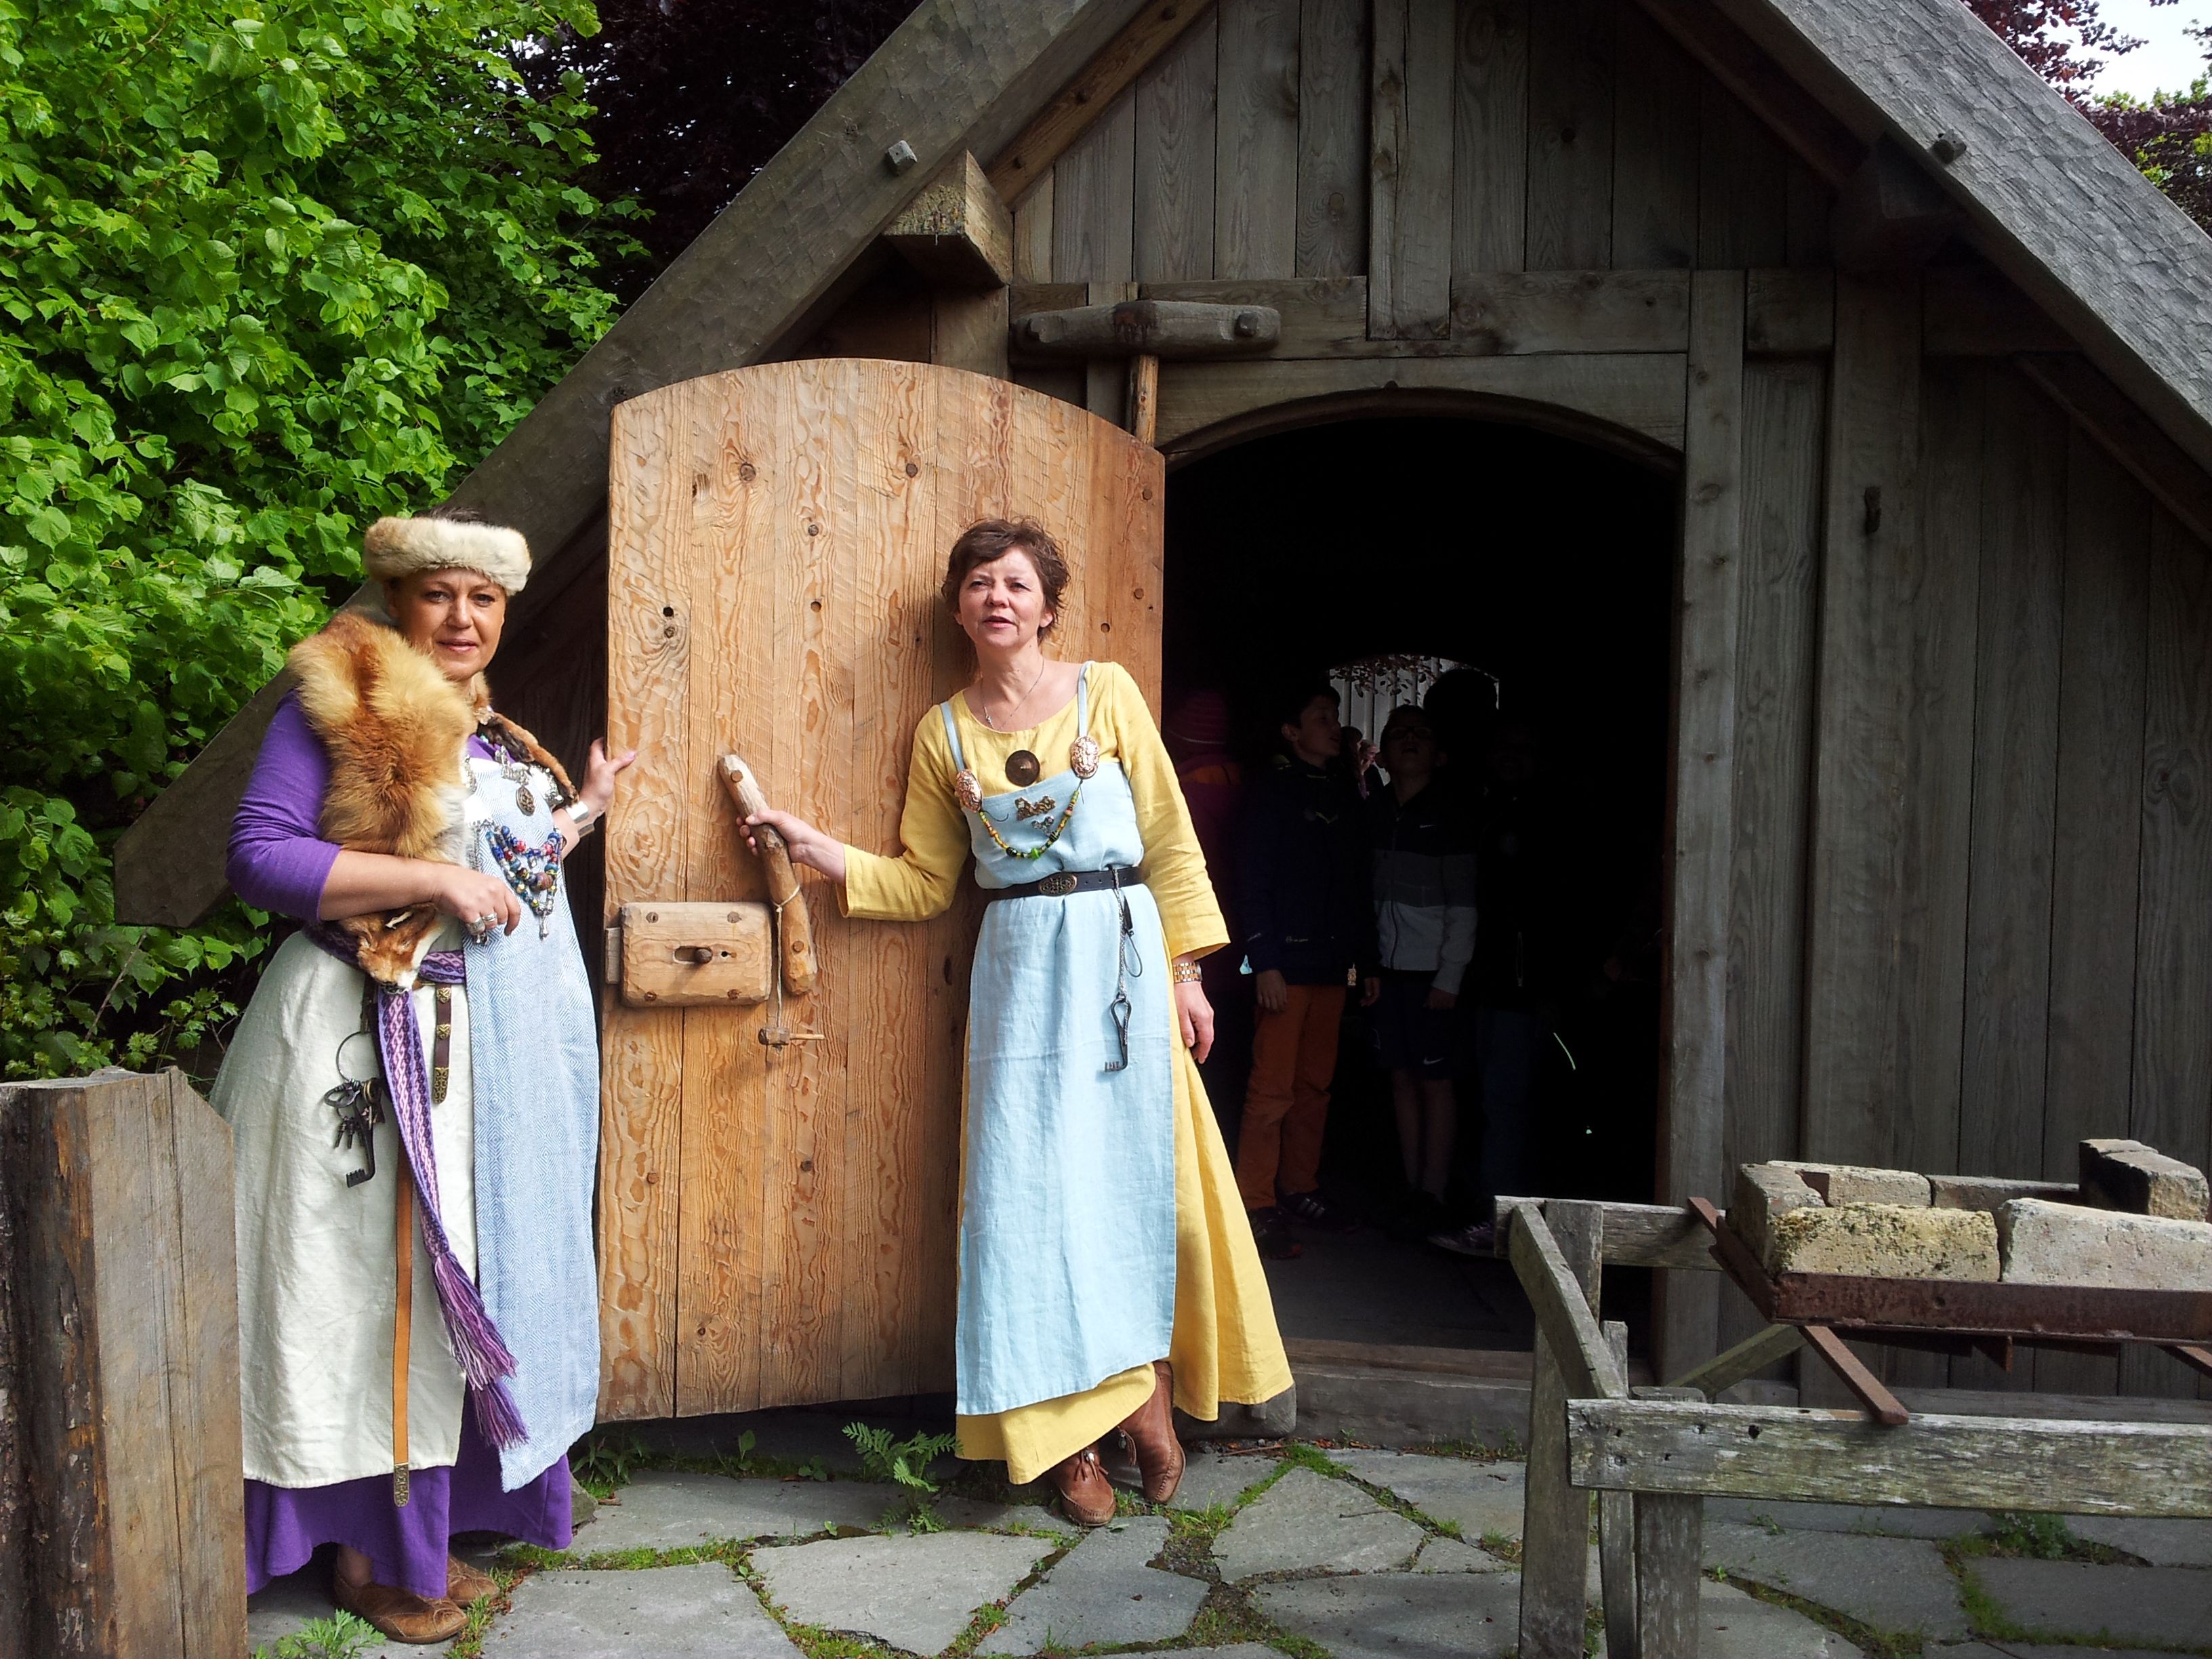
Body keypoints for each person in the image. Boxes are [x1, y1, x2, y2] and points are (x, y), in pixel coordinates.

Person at [747, 518, 1291, 1528]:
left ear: (1047, 605)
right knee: (1026, 1203)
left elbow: (1169, 838)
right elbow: (922, 884)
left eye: (1016, 583)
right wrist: (816, 847)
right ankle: (1068, 1449)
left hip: (1120, 956)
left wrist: (1187, 974)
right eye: (978, 584)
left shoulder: (1108, 692)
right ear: (959, 608)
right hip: (1018, 974)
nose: (997, 598)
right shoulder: (944, 732)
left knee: (1129, 1192)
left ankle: (1149, 1402)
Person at [215, 513, 634, 1643]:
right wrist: (428, 884)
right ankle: (368, 1549)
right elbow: (262, 855)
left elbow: (497, 872)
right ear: (396, 600)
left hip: (471, 1051)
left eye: (482, 600)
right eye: (439, 594)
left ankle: (436, 1521)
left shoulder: (490, 734)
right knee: (367, 1292)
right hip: (357, 1043)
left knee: (461, 1285)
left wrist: (580, 812)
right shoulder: (346, 710)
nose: (462, 618)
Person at [1233, 684, 1378, 1261]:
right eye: (1321, 717)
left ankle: (1299, 1188)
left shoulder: (1346, 790)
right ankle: (1254, 1201)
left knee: (1314, 1087)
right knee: (1271, 1089)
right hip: (1286, 968)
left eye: (1335, 716)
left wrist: (1365, 961)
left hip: (1333, 964)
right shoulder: (1273, 790)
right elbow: (1253, 879)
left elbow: (1358, 885)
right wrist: (1264, 960)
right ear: (1292, 733)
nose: (1334, 725)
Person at [1429, 718, 1558, 1256]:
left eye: (1524, 747)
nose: (1512, 756)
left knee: (1508, 1101)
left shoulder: (1547, 817)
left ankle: (1503, 1227)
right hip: (1486, 979)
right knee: (1489, 1096)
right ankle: (1492, 1210)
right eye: (1503, 745)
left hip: (1523, 983)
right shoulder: (1485, 809)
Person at [1364, 705, 1477, 1234]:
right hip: (1388, 971)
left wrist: (1449, 977)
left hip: (1434, 975)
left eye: (1421, 734)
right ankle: (1411, 1189)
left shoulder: (1452, 812)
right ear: (1382, 753)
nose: (1409, 741)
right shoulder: (1376, 808)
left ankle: (1435, 1191)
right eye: (1397, 734)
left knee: (1437, 1081)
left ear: (1440, 753)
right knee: (1402, 1078)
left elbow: (1465, 906)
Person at [1163, 689, 1252, 1143]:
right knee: (1240, 1056)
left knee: (1201, 1058)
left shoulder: (1187, 793)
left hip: (1197, 951)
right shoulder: (1243, 785)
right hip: (1245, 940)